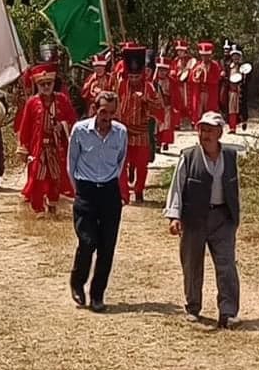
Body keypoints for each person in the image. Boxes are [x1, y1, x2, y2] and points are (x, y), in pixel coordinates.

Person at [164, 111, 242, 327]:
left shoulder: (230, 157)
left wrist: (235, 217)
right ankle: (193, 307)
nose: (205, 134)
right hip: (194, 217)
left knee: (226, 265)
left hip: (222, 218)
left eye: (209, 130)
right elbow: (177, 187)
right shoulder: (188, 156)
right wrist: (174, 216)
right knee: (192, 264)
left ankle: (228, 312)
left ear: (220, 132)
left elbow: (235, 188)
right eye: (202, 129)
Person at [68, 90, 127, 313]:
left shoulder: (121, 133)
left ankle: (97, 295)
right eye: (103, 111)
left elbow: (121, 161)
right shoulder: (80, 130)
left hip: (109, 192)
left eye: (112, 113)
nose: (107, 117)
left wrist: (111, 183)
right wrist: (79, 190)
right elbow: (71, 161)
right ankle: (77, 282)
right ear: (95, 109)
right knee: (87, 241)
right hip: (86, 191)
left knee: (107, 246)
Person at [17, 66, 76, 214]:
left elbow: (72, 120)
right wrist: (23, 147)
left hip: (57, 148)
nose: (46, 87)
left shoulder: (62, 100)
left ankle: (52, 206)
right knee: (37, 177)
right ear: (37, 86)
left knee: (56, 178)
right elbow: (25, 126)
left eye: (48, 84)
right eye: (42, 84)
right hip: (38, 149)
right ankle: (37, 209)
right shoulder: (32, 102)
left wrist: (62, 127)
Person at [112, 43, 163, 204]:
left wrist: (145, 100)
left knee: (142, 165)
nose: (134, 80)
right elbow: (112, 102)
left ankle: (139, 190)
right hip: (124, 131)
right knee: (121, 164)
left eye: (137, 77)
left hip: (141, 131)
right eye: (131, 77)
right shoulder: (120, 85)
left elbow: (158, 107)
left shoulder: (148, 87)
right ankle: (123, 194)